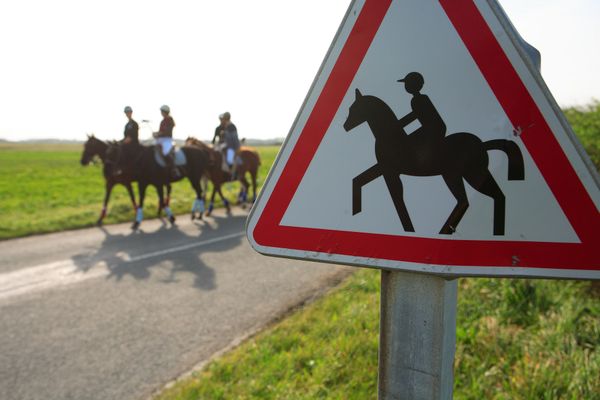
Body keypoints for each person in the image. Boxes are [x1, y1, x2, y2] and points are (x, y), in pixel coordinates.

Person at [397, 72, 446, 149]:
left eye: (407, 83)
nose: (406, 86)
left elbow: (417, 115)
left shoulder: (418, 100)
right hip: (433, 130)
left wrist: (397, 126)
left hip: (432, 131)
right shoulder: (420, 99)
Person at [153, 105, 177, 178]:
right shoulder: (162, 121)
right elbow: (160, 131)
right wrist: (156, 134)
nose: (161, 113)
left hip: (167, 140)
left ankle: (173, 169)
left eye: (162, 111)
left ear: (166, 112)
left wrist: (159, 133)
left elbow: (167, 131)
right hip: (161, 140)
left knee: (166, 152)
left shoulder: (170, 120)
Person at [219, 111, 240, 178]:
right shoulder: (227, 126)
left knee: (230, 160)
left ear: (226, 118)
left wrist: (224, 134)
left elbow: (234, 139)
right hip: (228, 146)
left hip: (232, 147)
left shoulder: (231, 126)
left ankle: (233, 174)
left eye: (224, 118)